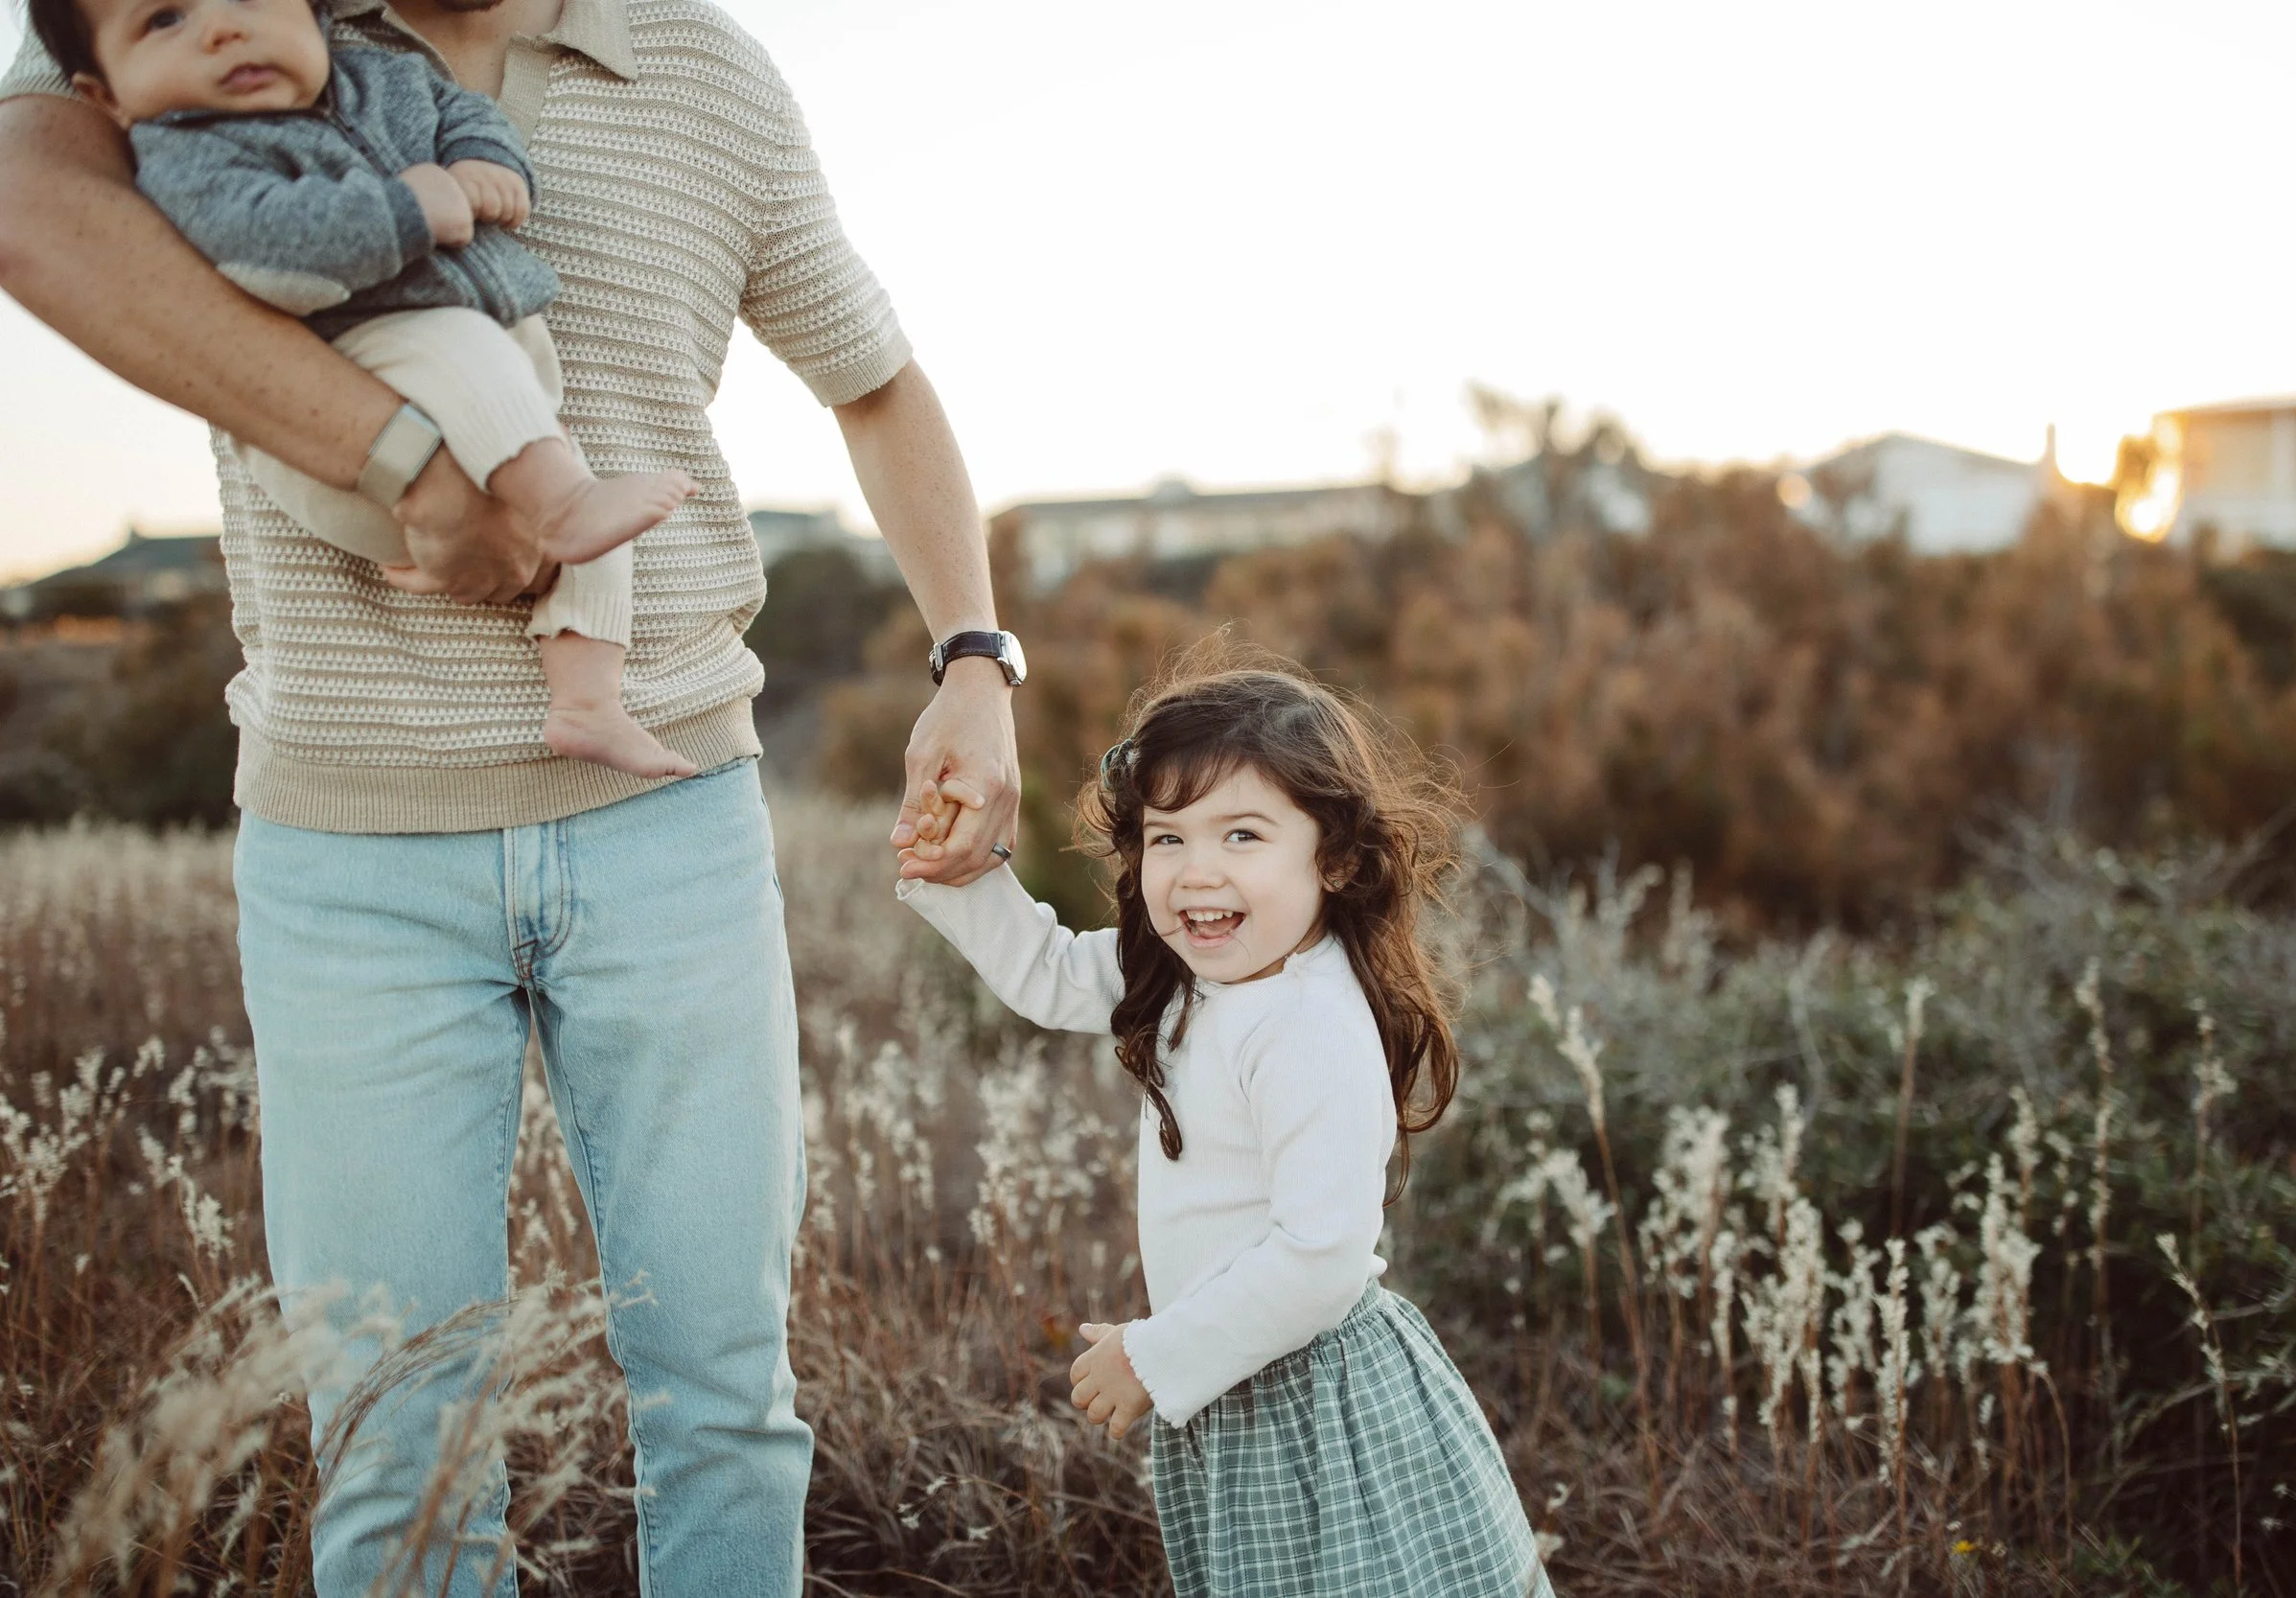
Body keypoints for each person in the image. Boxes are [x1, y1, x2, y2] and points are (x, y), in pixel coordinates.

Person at [0, 0, 1023, 1590]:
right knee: (400, 1449)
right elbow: (21, 191)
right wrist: (407, 452)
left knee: (728, 1403)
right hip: (350, 851)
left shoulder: (704, 72)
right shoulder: (230, 28)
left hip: (671, 814)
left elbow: (876, 382)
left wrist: (973, 655)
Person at [895, 656, 1555, 1598]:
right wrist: (958, 872)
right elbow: (1047, 971)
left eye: (1241, 833)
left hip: (1316, 1397)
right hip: (1241, 1375)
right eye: (1167, 838)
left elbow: (1322, 1253)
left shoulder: (1307, 1021)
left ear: (1332, 855)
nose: (1195, 871)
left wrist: (1157, 1352)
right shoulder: (1190, 970)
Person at [30, 0, 701, 777]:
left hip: (477, 383)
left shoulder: (384, 76)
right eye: (164, 20)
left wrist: (489, 164)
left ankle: (587, 701)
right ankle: (563, 505)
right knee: (516, 416)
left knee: (599, 518)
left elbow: (463, 117)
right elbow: (264, 251)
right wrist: (407, 209)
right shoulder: (186, 151)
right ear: (105, 94)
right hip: (353, 368)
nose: (221, 27)